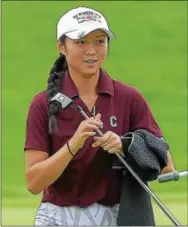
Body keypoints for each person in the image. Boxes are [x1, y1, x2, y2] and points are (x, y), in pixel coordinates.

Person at [24, 6, 175, 226]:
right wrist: (73, 144)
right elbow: (34, 183)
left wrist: (125, 144)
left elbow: (166, 164)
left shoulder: (129, 98)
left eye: (100, 41)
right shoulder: (43, 104)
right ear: (61, 46)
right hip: (56, 218)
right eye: (81, 42)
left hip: (115, 216)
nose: (92, 50)